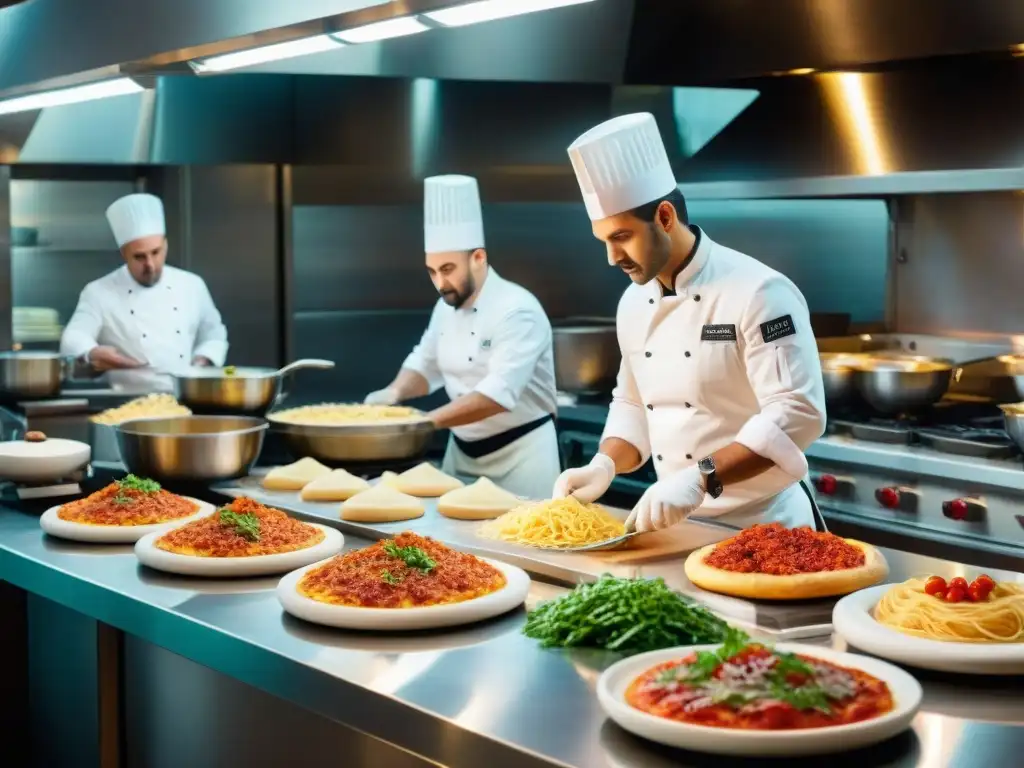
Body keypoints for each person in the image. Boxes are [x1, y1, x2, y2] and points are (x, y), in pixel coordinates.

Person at [553, 113, 827, 532]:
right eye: (603, 241)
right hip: (681, 525)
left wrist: (700, 477)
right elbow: (633, 402)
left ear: (665, 217)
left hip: (769, 525)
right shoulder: (632, 303)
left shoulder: (759, 292)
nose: (611, 257)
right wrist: (604, 464)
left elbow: (797, 412)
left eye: (621, 236)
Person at [364, 175, 559, 499]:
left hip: (523, 458)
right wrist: (393, 392)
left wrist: (423, 423)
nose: (440, 282)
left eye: (448, 269)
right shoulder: (445, 307)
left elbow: (498, 394)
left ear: (478, 258)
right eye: (432, 271)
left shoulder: (517, 310)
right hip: (461, 455)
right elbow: (425, 365)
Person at [60, 193, 228, 392]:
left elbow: (214, 333)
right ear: (124, 254)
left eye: (156, 252)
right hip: (126, 403)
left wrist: (203, 360)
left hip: (184, 399)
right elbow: (74, 336)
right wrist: (93, 353)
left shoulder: (192, 285)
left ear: (165, 244)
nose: (150, 265)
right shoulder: (98, 292)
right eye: (139, 257)